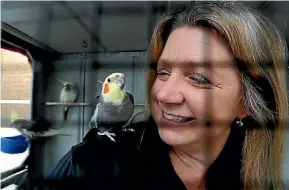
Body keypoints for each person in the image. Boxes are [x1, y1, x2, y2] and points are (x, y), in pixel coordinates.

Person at [37, 1, 288, 190]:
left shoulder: (256, 180)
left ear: (247, 105)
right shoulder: (89, 166)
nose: (163, 94)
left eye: (199, 78)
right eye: (163, 71)